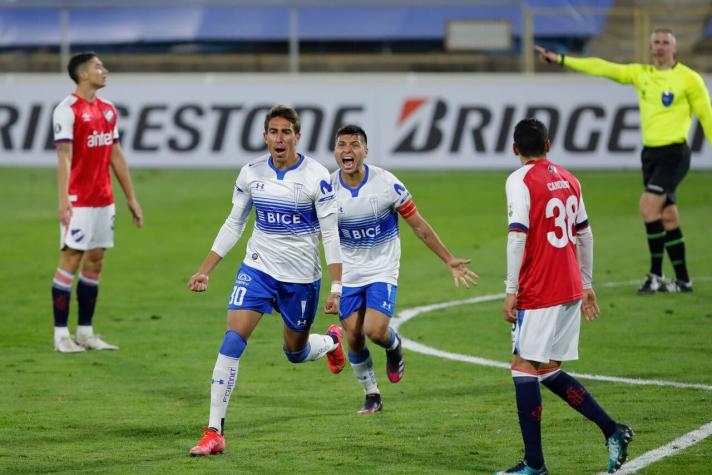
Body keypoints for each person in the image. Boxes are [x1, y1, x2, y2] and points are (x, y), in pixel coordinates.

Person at [187, 105, 345, 456]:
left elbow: (331, 234)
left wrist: (336, 288)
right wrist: (205, 269)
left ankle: (332, 343)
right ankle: (214, 431)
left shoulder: (316, 176)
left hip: (301, 279)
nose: (279, 138)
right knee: (232, 341)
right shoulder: (251, 173)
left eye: (286, 132)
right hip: (257, 269)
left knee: (295, 352)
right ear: (264, 136)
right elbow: (235, 223)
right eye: (273, 132)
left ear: (297, 137)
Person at [497, 118, 633, 475]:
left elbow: (517, 236)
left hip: (540, 288)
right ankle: (612, 429)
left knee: (523, 368)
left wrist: (511, 290)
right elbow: (585, 235)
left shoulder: (519, 180)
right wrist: (586, 283)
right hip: (570, 285)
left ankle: (534, 464)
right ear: (549, 144)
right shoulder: (570, 178)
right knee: (546, 369)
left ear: (514, 149)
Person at [536, 29, 712, 295]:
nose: (661, 47)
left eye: (666, 42)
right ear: (650, 47)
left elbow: (707, 117)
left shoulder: (689, 79)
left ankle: (655, 275)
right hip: (650, 155)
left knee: (647, 208)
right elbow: (602, 68)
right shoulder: (642, 74)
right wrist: (561, 59)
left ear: (674, 48)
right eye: (656, 43)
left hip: (675, 153)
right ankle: (684, 281)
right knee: (667, 216)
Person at [330, 124, 478, 415]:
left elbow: (418, 225)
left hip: (382, 268)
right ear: (336, 152)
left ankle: (393, 344)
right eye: (341, 145)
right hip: (349, 272)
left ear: (365, 151)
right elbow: (318, 233)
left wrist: (448, 259)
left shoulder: (386, 184)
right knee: (354, 336)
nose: (348, 150)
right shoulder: (327, 189)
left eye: (354, 144)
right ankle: (372, 394)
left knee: (374, 330)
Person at [51, 52, 144, 353]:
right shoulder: (67, 111)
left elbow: (115, 154)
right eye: (97, 67)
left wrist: (131, 198)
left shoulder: (108, 109)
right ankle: (61, 335)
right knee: (70, 260)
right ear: (82, 75)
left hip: (104, 200)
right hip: (78, 200)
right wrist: (63, 199)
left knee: (95, 261)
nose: (104, 71)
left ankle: (86, 332)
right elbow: (63, 157)